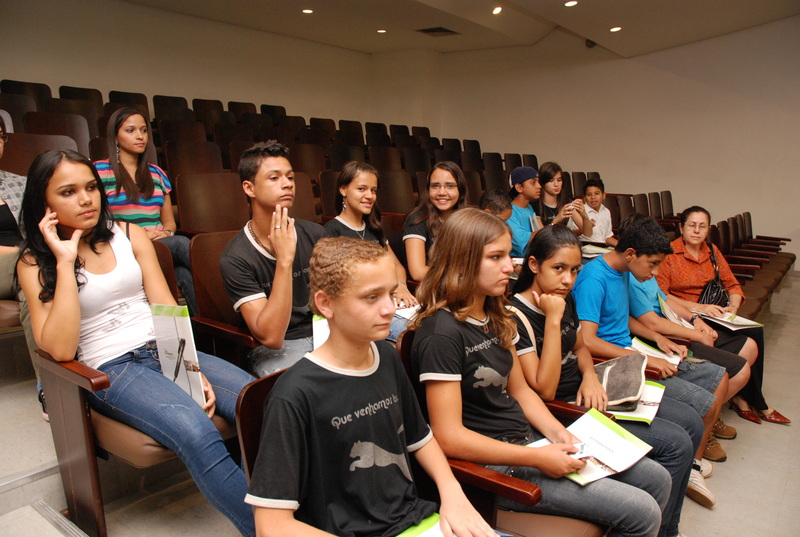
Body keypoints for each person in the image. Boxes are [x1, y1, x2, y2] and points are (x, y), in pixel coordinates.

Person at [16, 150, 255, 536]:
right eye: (69, 192)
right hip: (110, 369)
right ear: (43, 203)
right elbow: (59, 350)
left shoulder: (128, 234)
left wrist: (189, 371)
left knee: (259, 402)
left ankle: (286, 510)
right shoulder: (33, 262)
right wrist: (64, 262)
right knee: (196, 430)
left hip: (163, 349)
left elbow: (165, 308)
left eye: (91, 187)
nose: (86, 199)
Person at [410, 208, 670, 537]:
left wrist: (560, 435)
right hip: (497, 465)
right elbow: (449, 437)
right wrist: (536, 458)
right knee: (641, 512)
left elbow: (521, 392)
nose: (510, 266)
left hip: (528, 441)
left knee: (657, 478)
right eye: (496, 257)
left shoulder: (496, 313)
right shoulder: (441, 334)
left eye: (508, 255)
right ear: (462, 260)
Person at [246, 237, 494, 537]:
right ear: (326, 304)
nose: (389, 308)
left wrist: (453, 493)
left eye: (390, 293)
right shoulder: (293, 395)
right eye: (371, 297)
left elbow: (419, 438)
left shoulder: (386, 356)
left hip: (416, 520)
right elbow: (271, 525)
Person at [510, 225, 705, 533]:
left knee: (691, 421)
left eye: (574, 270)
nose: (568, 280)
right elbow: (544, 390)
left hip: (592, 387)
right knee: (676, 444)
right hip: (565, 406)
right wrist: (553, 319)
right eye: (558, 268)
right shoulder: (517, 315)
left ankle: (667, 529)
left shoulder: (563, 297)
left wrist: (589, 375)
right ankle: (664, 530)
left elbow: (579, 347)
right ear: (534, 265)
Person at [571, 214, 728, 480]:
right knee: (703, 405)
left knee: (715, 378)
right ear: (631, 254)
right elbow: (587, 340)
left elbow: (619, 316)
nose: (655, 272)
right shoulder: (594, 279)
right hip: (616, 364)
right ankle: (689, 470)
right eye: (653, 264)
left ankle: (691, 466)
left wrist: (657, 338)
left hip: (633, 352)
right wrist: (644, 359)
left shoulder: (623, 270)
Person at [656, 206, 789, 425]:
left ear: (708, 230)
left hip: (714, 312)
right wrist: (699, 308)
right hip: (686, 315)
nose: (697, 231)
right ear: (681, 227)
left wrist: (733, 308)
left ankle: (743, 397)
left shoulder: (712, 251)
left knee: (755, 330)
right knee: (750, 341)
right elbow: (662, 295)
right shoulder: (669, 254)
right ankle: (753, 401)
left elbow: (733, 285)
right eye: (692, 225)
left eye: (702, 226)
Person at [220, 141, 325, 377]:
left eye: (290, 177)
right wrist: (284, 261)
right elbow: (271, 337)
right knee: (309, 383)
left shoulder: (315, 234)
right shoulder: (235, 257)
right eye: (274, 178)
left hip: (325, 331)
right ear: (249, 188)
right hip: (280, 347)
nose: (287, 184)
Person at [95, 107, 196, 315]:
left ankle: (204, 330)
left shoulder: (157, 173)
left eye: (143, 130)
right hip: (124, 245)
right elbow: (98, 220)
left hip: (162, 244)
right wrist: (140, 235)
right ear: (115, 136)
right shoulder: (99, 171)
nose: (140, 136)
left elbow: (169, 222)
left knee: (183, 275)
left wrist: (166, 233)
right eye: (130, 130)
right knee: (181, 243)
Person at [323, 161, 417, 341]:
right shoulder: (331, 231)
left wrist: (401, 286)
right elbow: (336, 286)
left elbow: (397, 267)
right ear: (343, 190)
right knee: (415, 334)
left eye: (373, 190)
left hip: (391, 303)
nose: (369, 196)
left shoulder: (374, 229)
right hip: (362, 311)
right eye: (361, 189)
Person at [0, 116, 42, 418]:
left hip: (25, 265)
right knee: (34, 264)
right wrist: (22, 253)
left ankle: (50, 384)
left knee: (35, 284)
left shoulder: (20, 183)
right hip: (17, 259)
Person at [403, 161, 468, 281]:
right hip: (433, 287)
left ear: (460, 190)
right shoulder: (417, 220)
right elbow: (418, 272)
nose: (442, 192)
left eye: (450, 186)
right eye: (435, 186)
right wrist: (460, 276)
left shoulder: (469, 220)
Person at [535, 162, 592, 237]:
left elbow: (588, 233)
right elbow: (542, 237)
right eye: (551, 181)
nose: (556, 184)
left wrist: (584, 215)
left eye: (559, 180)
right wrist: (556, 221)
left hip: (564, 242)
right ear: (543, 183)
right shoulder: (535, 205)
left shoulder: (566, 202)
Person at [507, 166, 543, 257]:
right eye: (533, 183)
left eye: (538, 182)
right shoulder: (509, 211)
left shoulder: (529, 207)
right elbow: (521, 241)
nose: (539, 186)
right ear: (519, 187)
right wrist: (552, 225)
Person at [575, 177, 617, 247]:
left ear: (603, 195)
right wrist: (586, 226)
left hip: (603, 247)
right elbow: (571, 234)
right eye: (589, 195)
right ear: (584, 198)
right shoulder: (579, 210)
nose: (593, 197)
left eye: (597, 193)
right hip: (586, 247)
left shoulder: (606, 211)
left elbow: (607, 237)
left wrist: (622, 247)